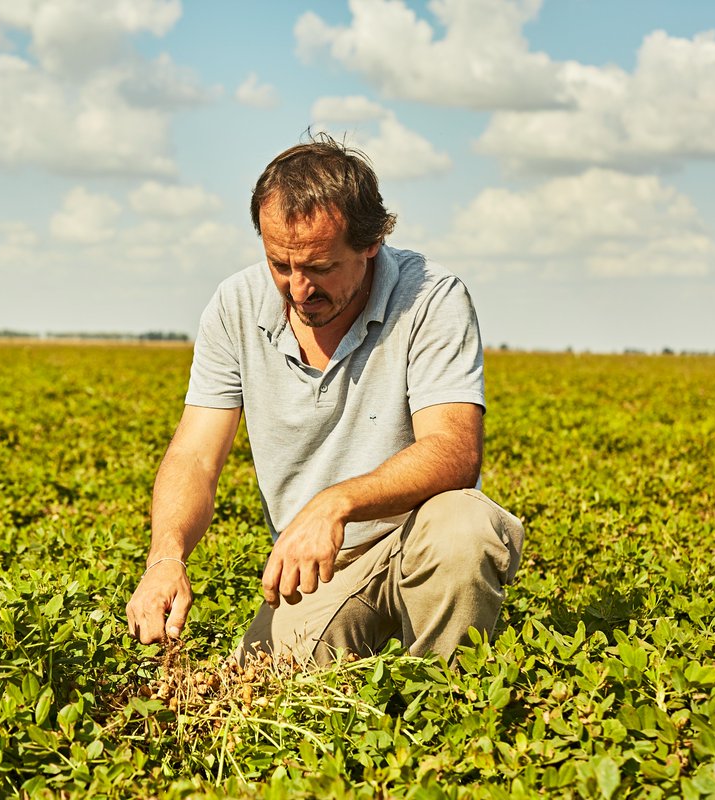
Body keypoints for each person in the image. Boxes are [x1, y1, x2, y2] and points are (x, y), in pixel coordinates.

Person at [125, 135, 524, 665]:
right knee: (263, 697)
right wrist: (164, 558)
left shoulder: (432, 298)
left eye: (319, 267)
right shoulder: (235, 306)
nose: (297, 289)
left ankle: (447, 709)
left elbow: (454, 449)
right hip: (319, 570)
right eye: (280, 265)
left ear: (371, 244)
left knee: (463, 528)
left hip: (415, 537)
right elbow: (195, 455)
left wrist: (335, 503)